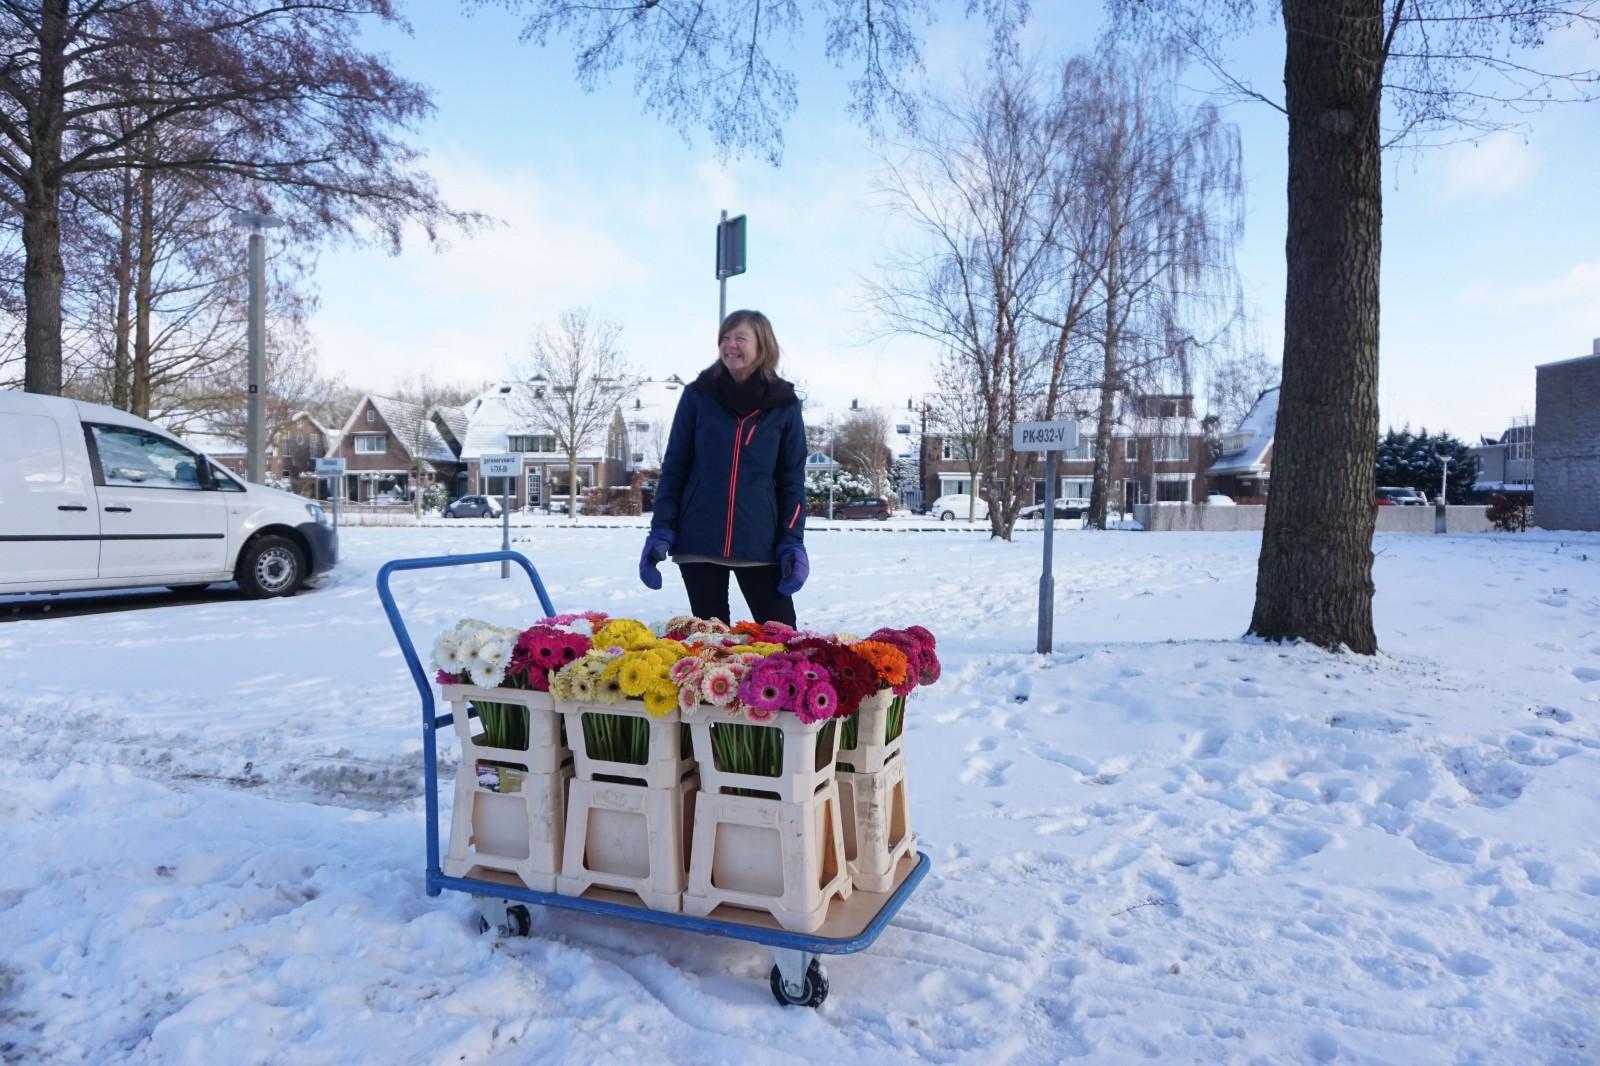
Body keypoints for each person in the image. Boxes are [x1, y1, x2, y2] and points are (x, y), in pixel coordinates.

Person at [638, 310, 808, 626]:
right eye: (725, 338)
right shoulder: (698, 396)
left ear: (763, 345)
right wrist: (661, 529)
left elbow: (792, 478)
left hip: (760, 544)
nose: (730, 345)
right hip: (698, 542)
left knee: (783, 641)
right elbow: (675, 466)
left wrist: (791, 540)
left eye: (740, 338)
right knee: (711, 647)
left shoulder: (784, 404)